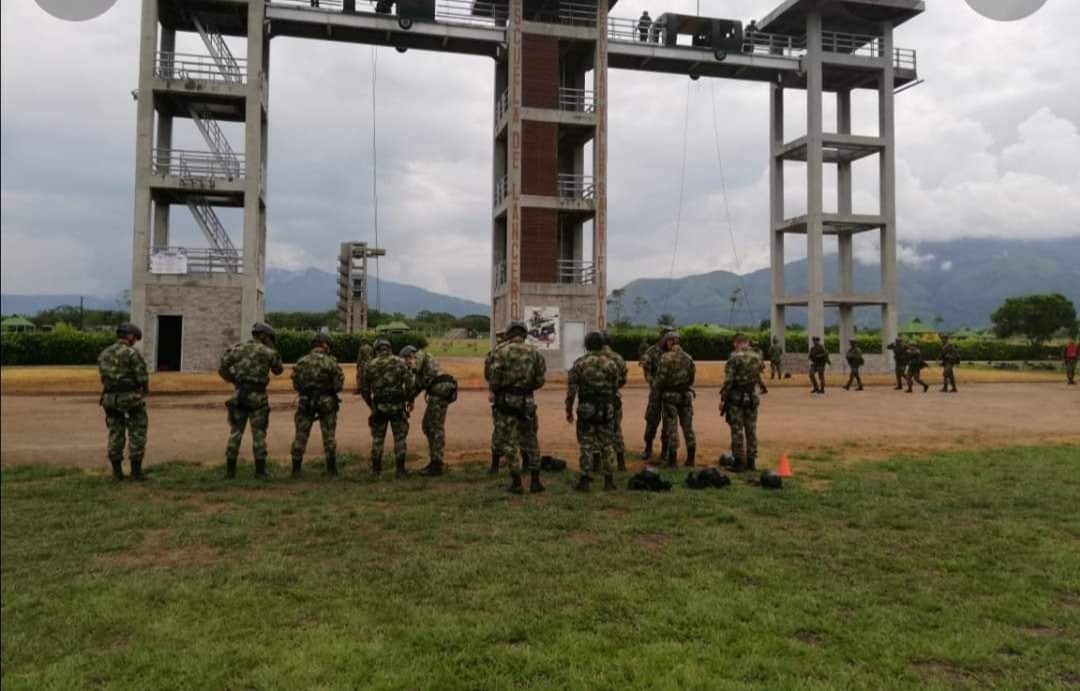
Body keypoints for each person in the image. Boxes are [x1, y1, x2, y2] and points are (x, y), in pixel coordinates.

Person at [486, 320, 547, 494]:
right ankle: (535, 482)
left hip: (506, 401)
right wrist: (527, 389)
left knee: (509, 442)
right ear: (524, 334)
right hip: (527, 401)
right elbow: (540, 379)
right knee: (531, 439)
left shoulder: (501, 351)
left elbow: (493, 375)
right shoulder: (535, 352)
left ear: (509, 334)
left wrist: (496, 390)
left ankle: (517, 483)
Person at [219, 322, 285, 478]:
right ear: (262, 335)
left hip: (239, 395)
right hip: (258, 397)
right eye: (269, 337)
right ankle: (260, 471)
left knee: (235, 433)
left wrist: (234, 380)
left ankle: (230, 472)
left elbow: (223, 366)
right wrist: (272, 349)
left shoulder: (237, 349)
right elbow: (278, 370)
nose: (270, 339)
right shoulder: (268, 352)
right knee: (259, 434)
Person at [566, 332, 620, 492]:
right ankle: (609, 481)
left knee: (586, 444)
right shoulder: (611, 364)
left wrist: (569, 410)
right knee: (607, 443)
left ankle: (584, 480)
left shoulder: (579, 363)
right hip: (606, 408)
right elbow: (615, 387)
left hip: (586, 408)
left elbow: (571, 391)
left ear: (587, 344)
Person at [97, 323, 149, 481]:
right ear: (129, 336)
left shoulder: (104, 353)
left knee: (115, 433)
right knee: (137, 432)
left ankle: (117, 473)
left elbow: (103, 377)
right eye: (134, 338)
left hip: (109, 398)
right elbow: (142, 377)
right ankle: (136, 472)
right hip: (130, 398)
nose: (135, 341)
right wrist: (144, 389)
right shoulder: (132, 353)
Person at [289, 332, 344, 477]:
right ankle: (332, 470)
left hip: (305, 401)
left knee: (300, 435)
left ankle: (296, 470)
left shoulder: (301, 361)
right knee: (329, 436)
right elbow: (338, 385)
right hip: (326, 402)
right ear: (324, 345)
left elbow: (296, 383)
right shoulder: (331, 362)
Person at [359, 339, 414, 478]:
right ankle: (400, 470)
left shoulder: (370, 365)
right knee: (400, 439)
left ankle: (376, 470)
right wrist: (410, 400)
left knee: (378, 439)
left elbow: (364, 388)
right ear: (389, 348)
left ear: (376, 350)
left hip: (379, 407)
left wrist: (370, 404)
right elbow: (409, 383)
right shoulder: (401, 362)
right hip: (397, 406)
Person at [402, 344, 458, 477]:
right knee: (428, 426)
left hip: (440, 389)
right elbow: (418, 386)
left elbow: (415, 368)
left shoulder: (420, 354)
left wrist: (409, 368)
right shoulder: (423, 367)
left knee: (434, 427)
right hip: (440, 390)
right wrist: (410, 399)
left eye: (405, 359)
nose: (406, 363)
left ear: (409, 355)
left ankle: (437, 464)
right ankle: (435, 461)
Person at [720, 333, 762, 472]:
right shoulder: (757, 357)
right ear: (748, 342)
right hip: (752, 396)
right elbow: (758, 374)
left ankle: (739, 462)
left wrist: (723, 398)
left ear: (736, 343)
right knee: (751, 430)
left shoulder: (734, 357)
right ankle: (751, 462)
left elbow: (729, 380)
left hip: (736, 397)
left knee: (737, 430)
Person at [655, 331, 696, 467]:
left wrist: (659, 392)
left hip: (670, 396)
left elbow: (660, 380)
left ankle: (672, 460)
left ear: (670, 342)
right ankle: (690, 459)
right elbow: (691, 378)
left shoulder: (665, 358)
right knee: (688, 427)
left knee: (671, 428)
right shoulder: (688, 357)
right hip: (685, 396)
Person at [640, 327, 673, 460]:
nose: (670, 340)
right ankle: (648, 448)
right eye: (667, 337)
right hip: (656, 393)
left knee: (668, 422)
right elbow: (647, 371)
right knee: (651, 420)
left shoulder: (675, 352)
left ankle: (665, 450)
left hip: (670, 393)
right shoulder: (652, 352)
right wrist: (654, 384)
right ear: (662, 337)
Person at [600, 331, 629, 471]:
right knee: (616, 429)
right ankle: (621, 462)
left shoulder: (592, 357)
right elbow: (623, 380)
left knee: (596, 430)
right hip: (614, 397)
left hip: (597, 399)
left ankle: (596, 463)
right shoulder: (618, 358)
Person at [484, 328, 510, 474]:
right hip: (522, 396)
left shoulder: (495, 352)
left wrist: (492, 390)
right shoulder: (525, 350)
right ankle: (524, 463)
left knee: (500, 427)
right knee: (521, 428)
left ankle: (496, 464)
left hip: (501, 394)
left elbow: (489, 373)